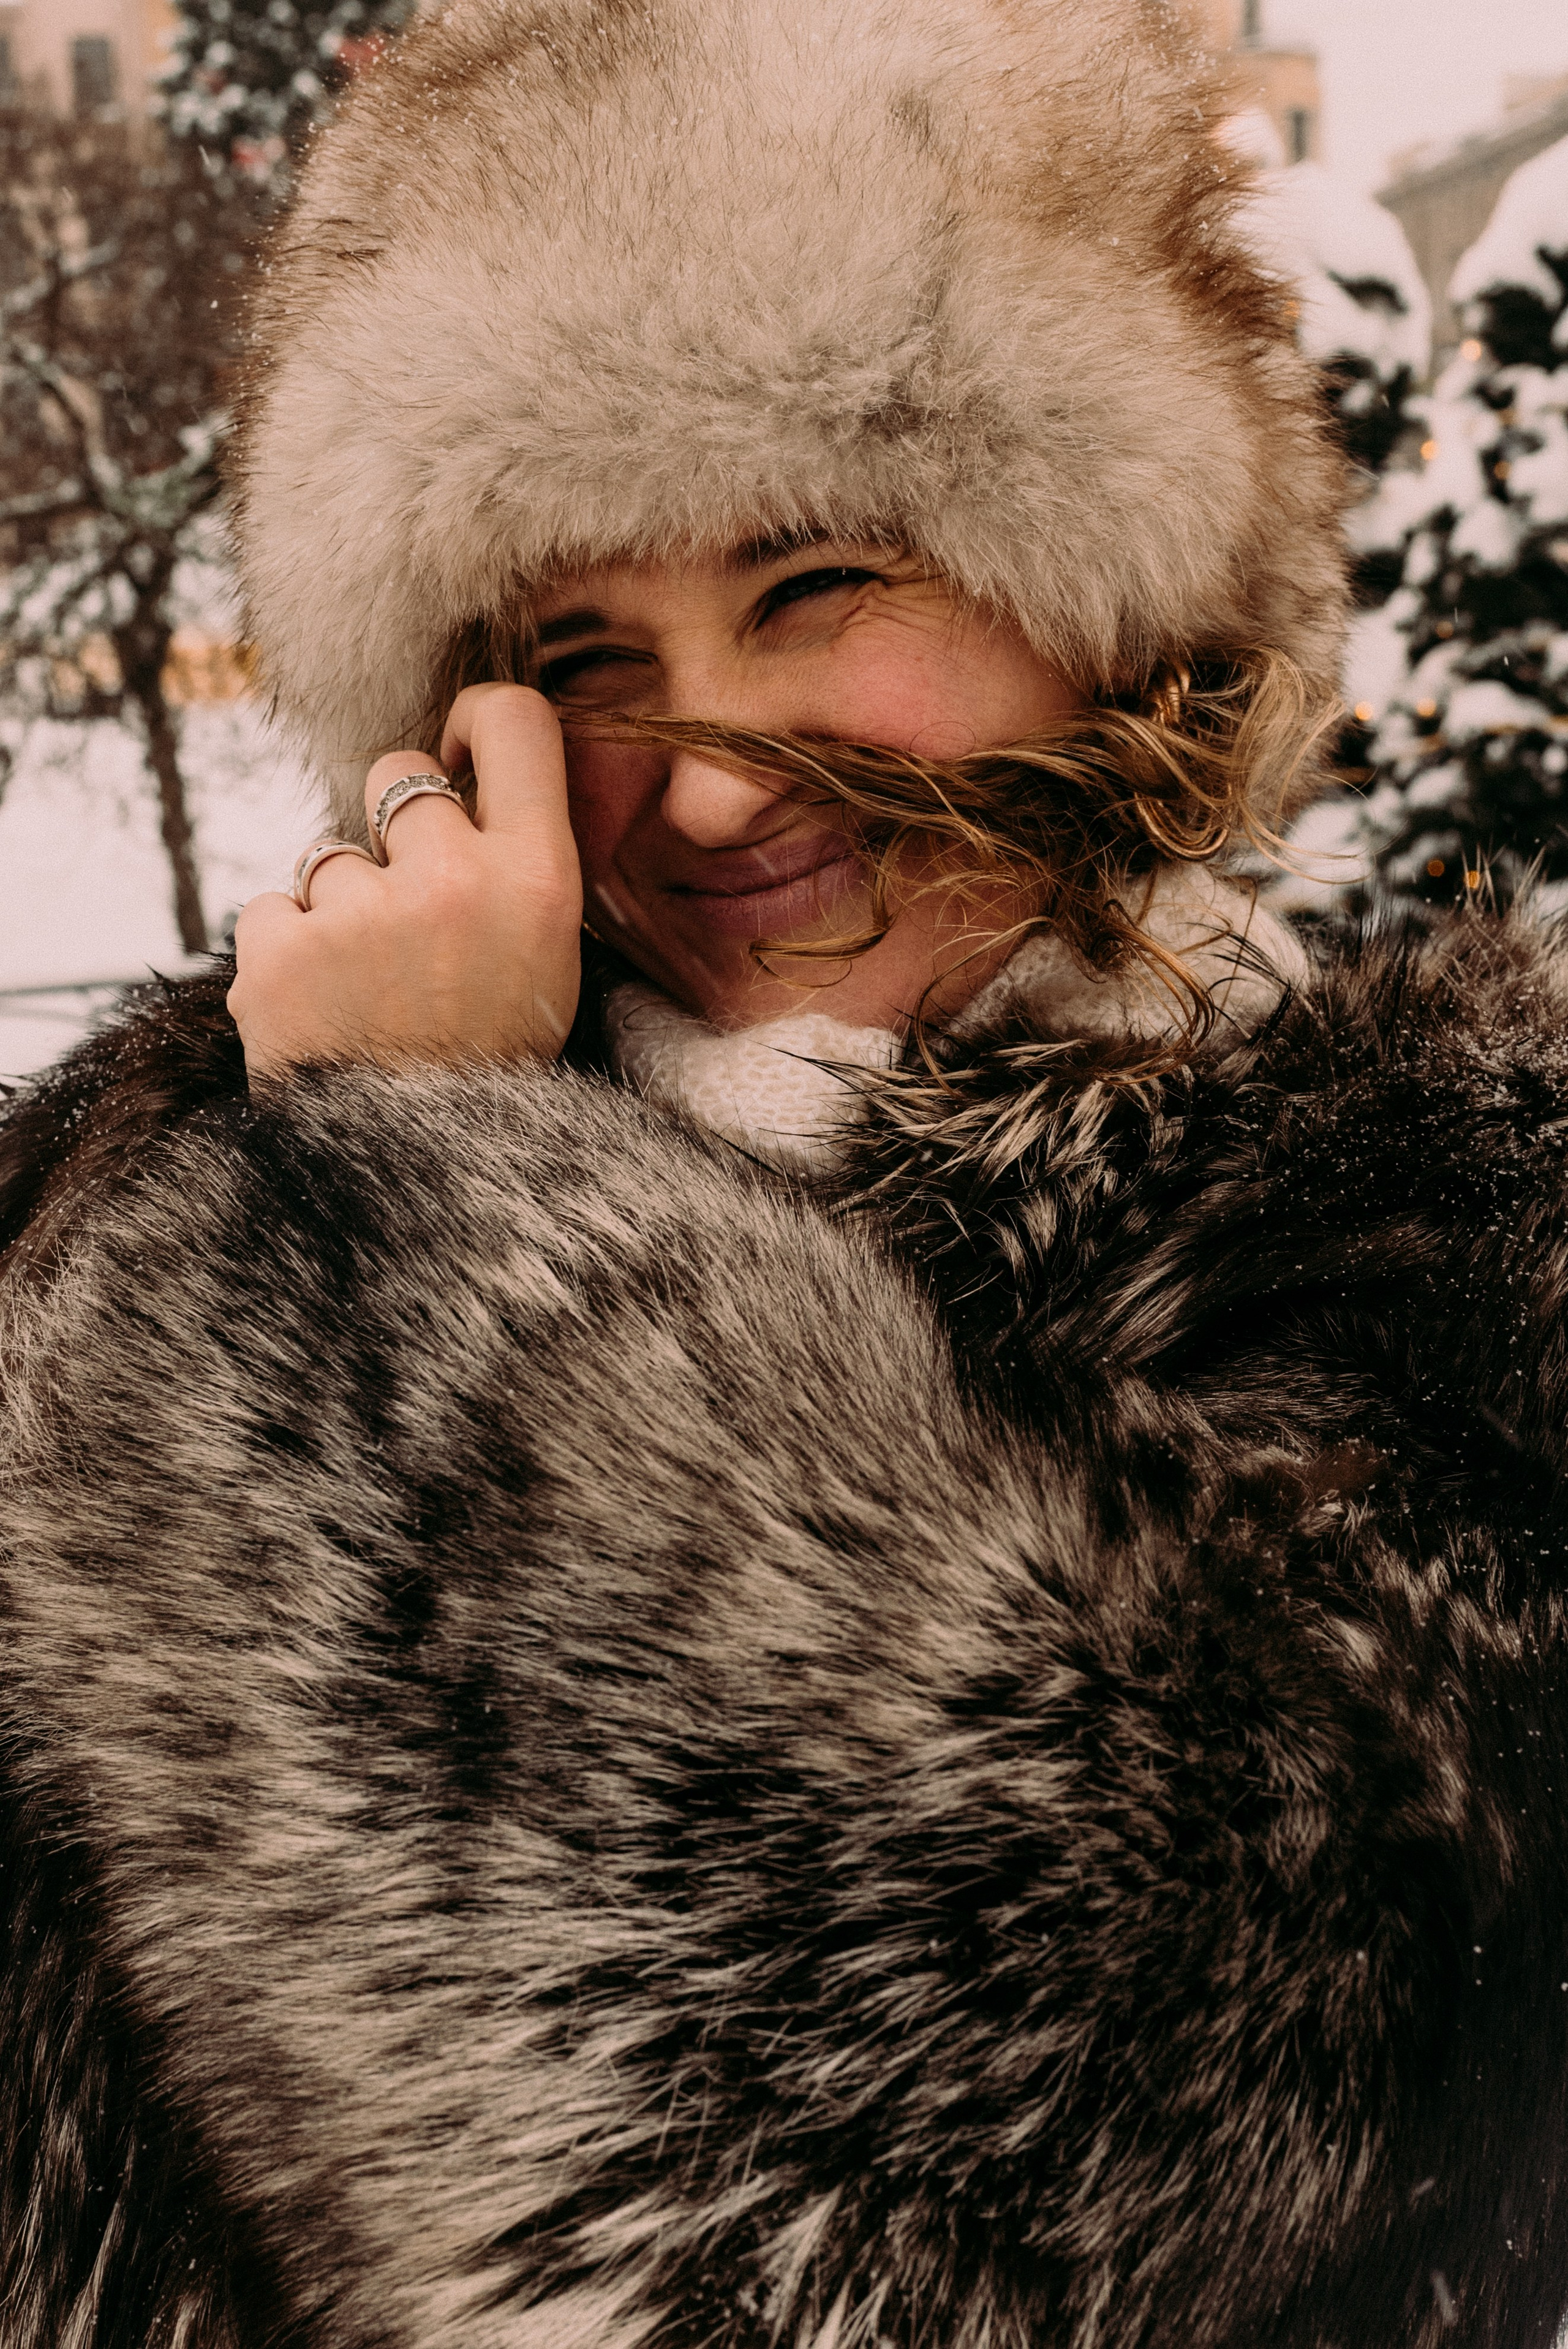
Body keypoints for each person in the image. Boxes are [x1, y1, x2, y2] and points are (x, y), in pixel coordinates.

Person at [1, 1, 1566, 2343]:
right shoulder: (179, 1168)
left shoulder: (1442, 1236)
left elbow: (958, 2164)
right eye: (583, 650)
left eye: (820, 583)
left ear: (1108, 596)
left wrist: (418, 1221)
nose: (710, 789)